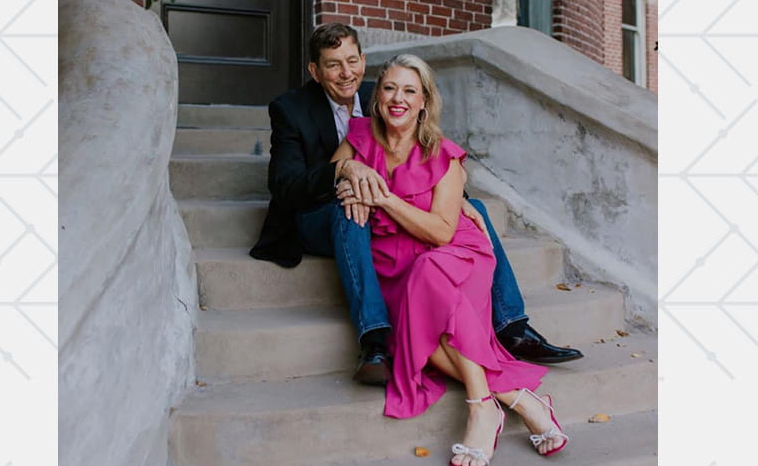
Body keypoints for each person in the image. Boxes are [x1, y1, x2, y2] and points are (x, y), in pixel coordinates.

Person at [249, 23, 582, 388]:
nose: (347, 74)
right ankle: (374, 339)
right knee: (351, 213)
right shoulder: (290, 109)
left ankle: (512, 326)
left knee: (476, 213)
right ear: (315, 71)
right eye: (333, 65)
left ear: (363, 59)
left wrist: (460, 199)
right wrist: (344, 172)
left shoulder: (384, 92)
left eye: (352, 61)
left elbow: (419, 155)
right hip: (320, 211)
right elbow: (284, 186)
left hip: (381, 205)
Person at [330, 53, 567, 466]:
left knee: (429, 280)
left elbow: (441, 231)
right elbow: (330, 175)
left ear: (424, 102)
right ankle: (520, 400)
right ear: (378, 95)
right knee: (421, 326)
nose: (397, 98)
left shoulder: (443, 154)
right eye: (389, 88)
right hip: (392, 265)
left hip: (453, 255)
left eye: (409, 91)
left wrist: (383, 197)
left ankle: (481, 407)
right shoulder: (360, 137)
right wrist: (348, 170)